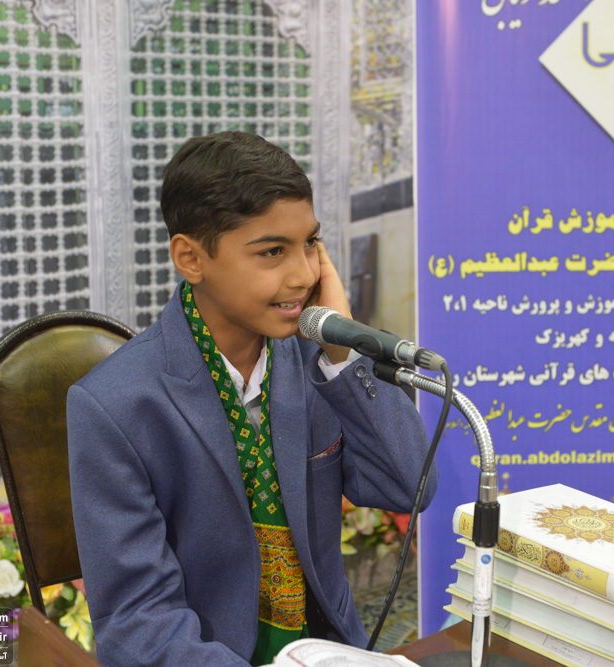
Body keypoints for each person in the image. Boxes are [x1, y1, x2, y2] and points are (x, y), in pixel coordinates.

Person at [67, 132, 438, 666]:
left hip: (328, 651)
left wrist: (342, 353)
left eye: (310, 244)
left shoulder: (317, 363)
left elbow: (411, 486)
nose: (304, 274)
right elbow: (138, 621)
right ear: (191, 258)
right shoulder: (116, 405)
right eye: (272, 252)